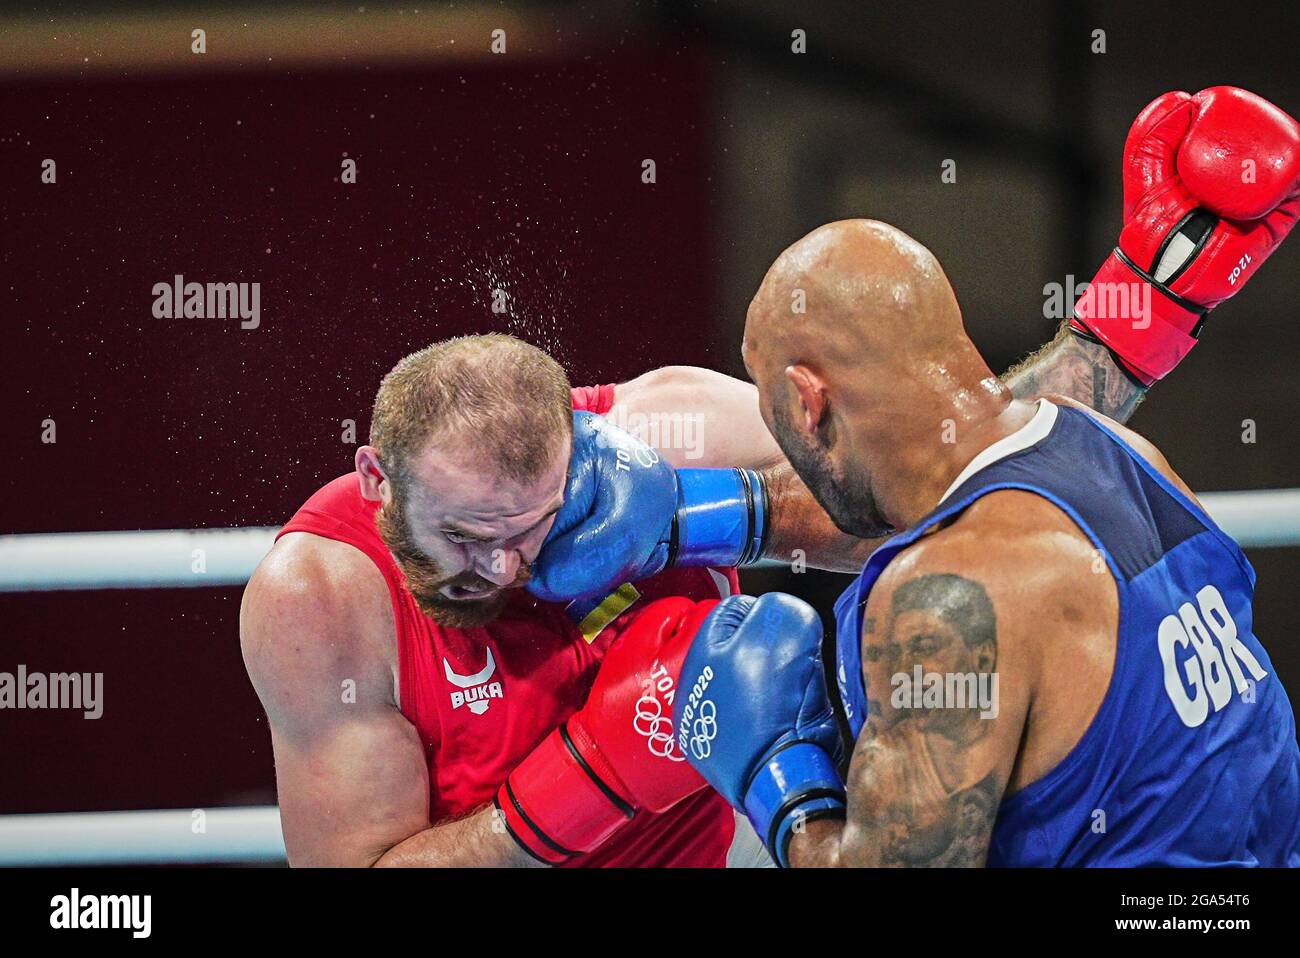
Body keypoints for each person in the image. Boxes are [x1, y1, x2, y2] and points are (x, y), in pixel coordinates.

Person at [668, 88, 1300, 867]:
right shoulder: (1115, 449)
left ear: (807, 402)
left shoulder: (944, 603)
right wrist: (695, 515)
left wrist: (781, 782)